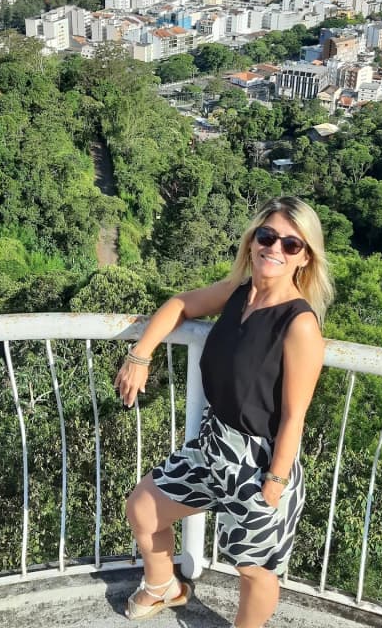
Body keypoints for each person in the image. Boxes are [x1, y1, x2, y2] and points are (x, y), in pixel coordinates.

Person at [115, 196, 334, 627]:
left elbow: (294, 416)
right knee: (143, 507)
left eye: (291, 244)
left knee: (253, 568)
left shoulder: (299, 323)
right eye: (267, 236)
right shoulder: (238, 294)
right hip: (214, 445)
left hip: (259, 461)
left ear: (304, 258)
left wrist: (274, 482)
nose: (275, 248)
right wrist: (140, 355)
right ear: (252, 242)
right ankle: (164, 586)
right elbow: (180, 304)